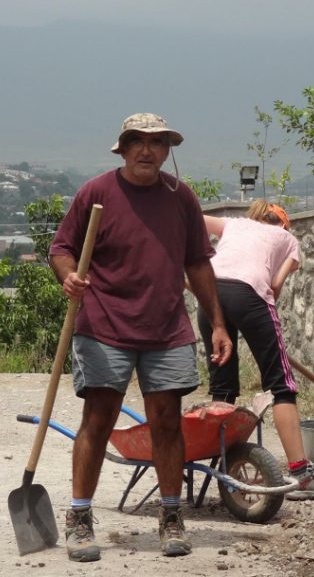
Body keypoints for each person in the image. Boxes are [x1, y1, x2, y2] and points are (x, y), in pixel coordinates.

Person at [49, 113, 233, 562]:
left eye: (157, 143)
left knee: (167, 421)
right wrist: (70, 276)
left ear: (168, 150)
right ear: (123, 148)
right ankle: (79, 517)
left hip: (167, 326)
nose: (147, 150)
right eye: (138, 142)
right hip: (105, 324)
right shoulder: (97, 193)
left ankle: (171, 516)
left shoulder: (180, 198)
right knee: (100, 418)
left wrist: (219, 323)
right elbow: (61, 249)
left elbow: (197, 263)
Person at [196, 199, 314, 500]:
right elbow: (274, 288)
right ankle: (302, 475)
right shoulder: (288, 240)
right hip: (248, 294)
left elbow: (193, 218)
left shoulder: (234, 224)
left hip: (208, 292)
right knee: (281, 386)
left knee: (223, 386)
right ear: (283, 224)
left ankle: (227, 471)